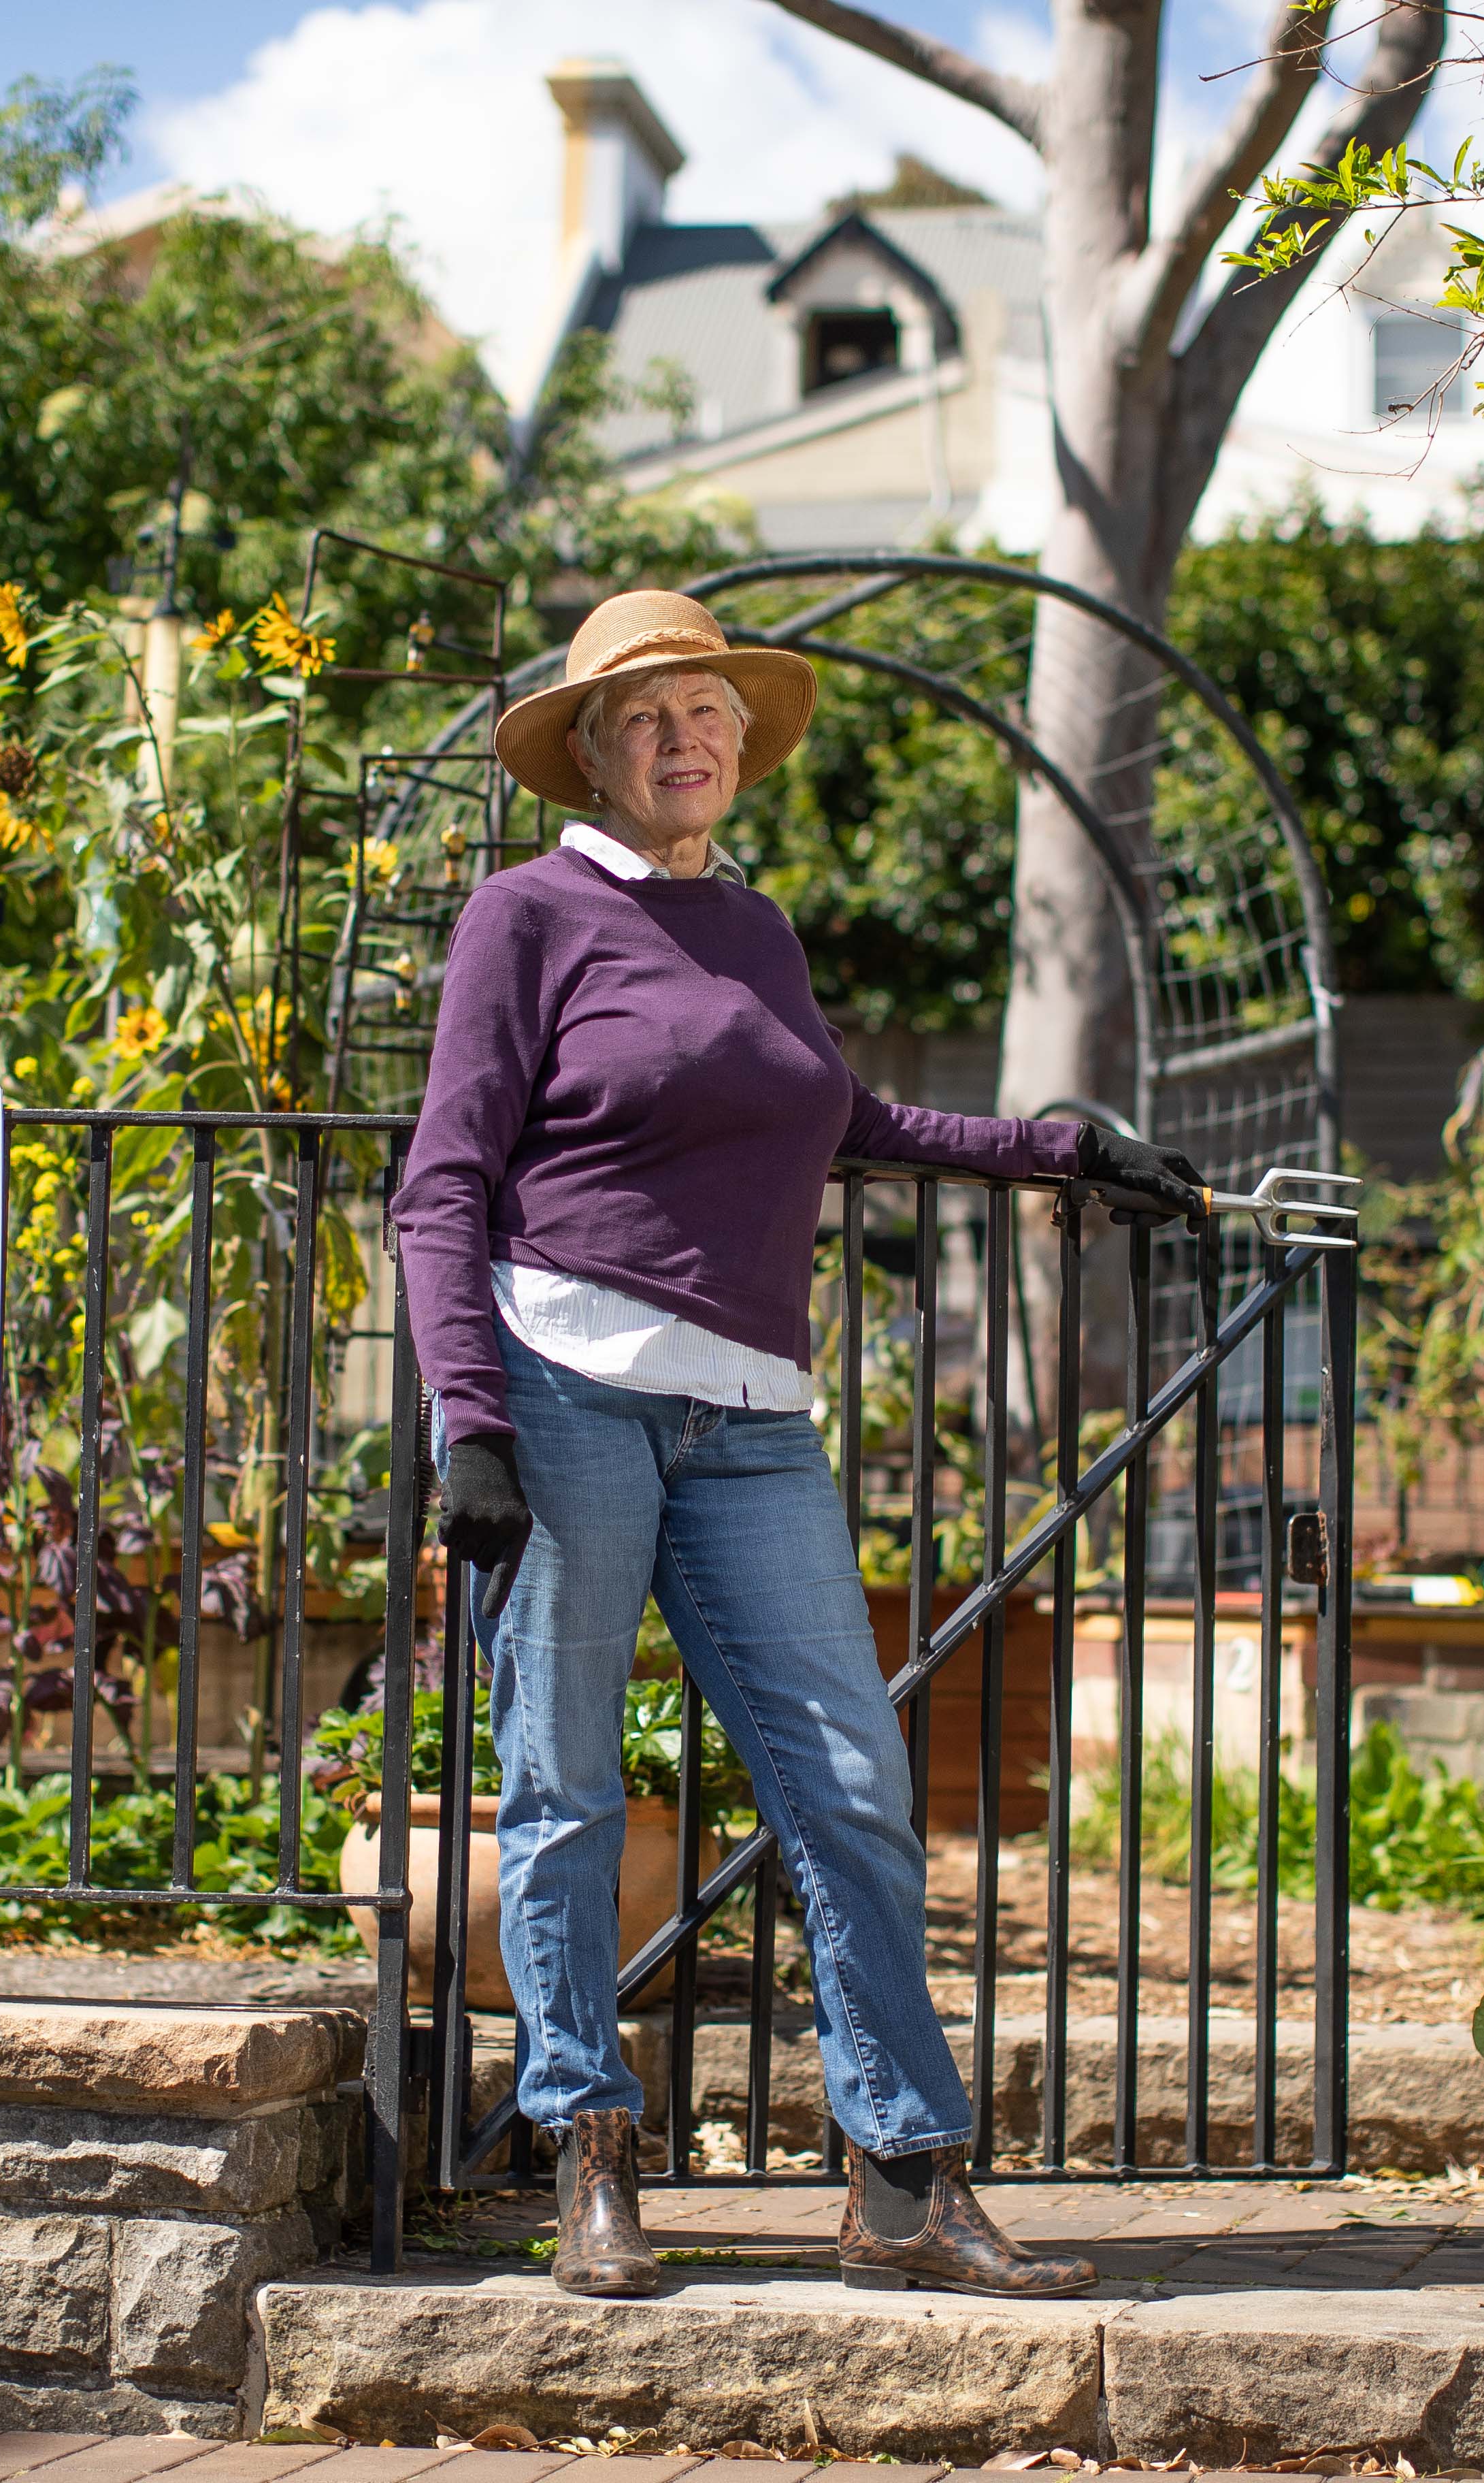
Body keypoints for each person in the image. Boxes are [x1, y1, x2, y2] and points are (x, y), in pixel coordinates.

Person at [393, 588, 1208, 2299]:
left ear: (744, 745)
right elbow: (443, 1184)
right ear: (598, 754)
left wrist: (1050, 1152)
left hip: (751, 1418)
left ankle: (906, 2179)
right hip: (566, 1385)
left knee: (853, 1787)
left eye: (709, 714)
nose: (684, 741)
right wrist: (471, 1420)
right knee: (563, 1790)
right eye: (646, 719)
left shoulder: (755, 931)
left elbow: (850, 1117)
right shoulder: (526, 917)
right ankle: (590, 2156)